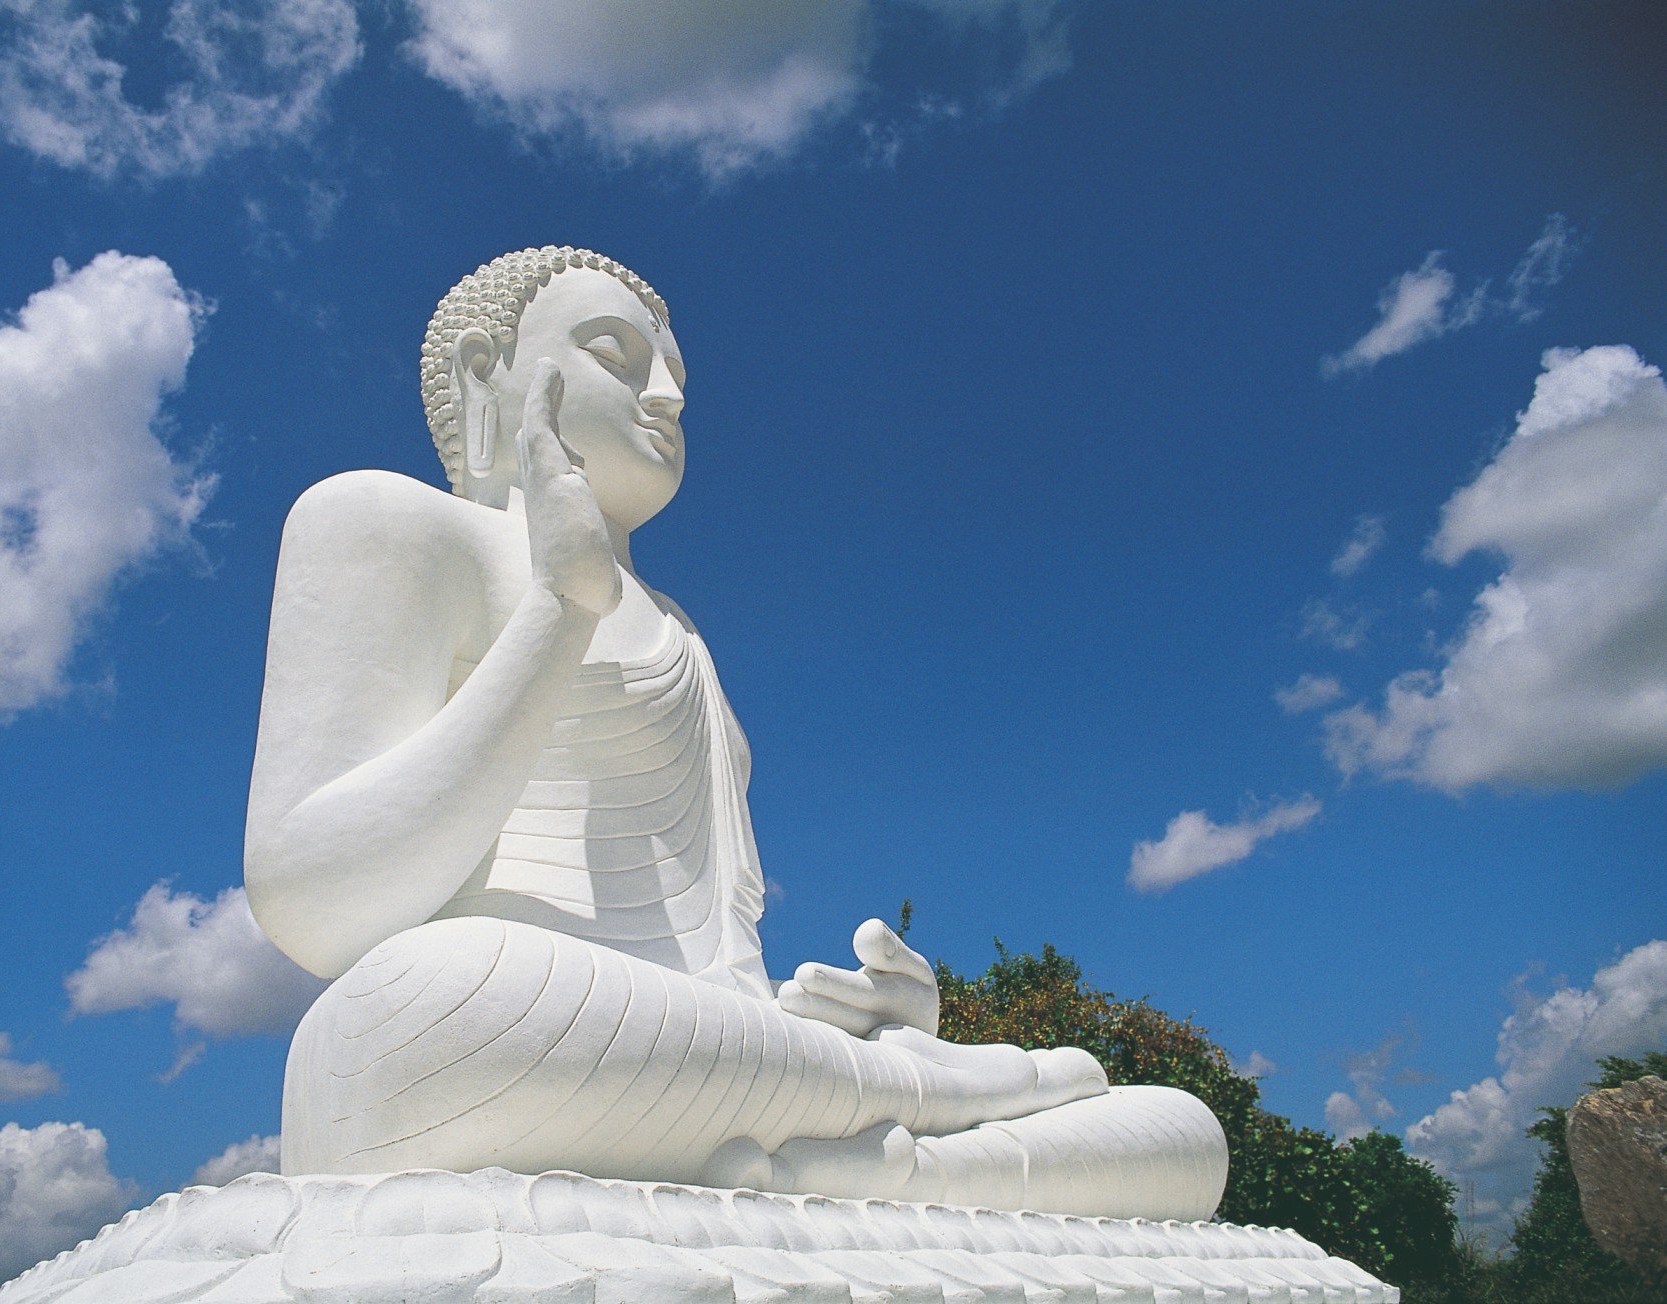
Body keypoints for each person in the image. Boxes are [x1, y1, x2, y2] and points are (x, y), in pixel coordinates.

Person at [243, 246, 1227, 1218]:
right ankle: (926, 1100)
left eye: (676, 373)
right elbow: (313, 898)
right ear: (483, 373)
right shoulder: (389, 523)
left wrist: (885, 1024)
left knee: (1181, 1127)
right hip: (500, 1027)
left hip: (710, 1054)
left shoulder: (685, 635)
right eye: (618, 354)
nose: (668, 393)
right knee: (423, 997)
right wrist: (559, 608)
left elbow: (724, 969)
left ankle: (902, 1153)